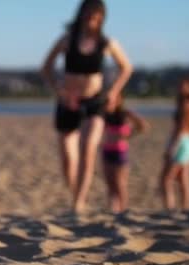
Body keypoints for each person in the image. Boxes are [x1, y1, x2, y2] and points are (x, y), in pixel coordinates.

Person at [41, 0, 132, 212]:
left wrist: (113, 92)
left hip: (95, 102)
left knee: (89, 147)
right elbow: (46, 67)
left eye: (97, 15)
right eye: (90, 14)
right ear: (82, 15)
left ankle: (79, 201)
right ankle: (76, 195)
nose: (92, 19)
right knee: (67, 158)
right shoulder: (67, 40)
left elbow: (126, 68)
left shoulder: (107, 43)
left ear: (102, 18)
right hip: (68, 101)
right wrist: (59, 91)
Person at [102, 96, 149, 213]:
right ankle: (112, 209)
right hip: (107, 150)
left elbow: (143, 126)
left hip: (120, 152)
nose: (110, 103)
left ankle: (123, 209)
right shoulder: (104, 114)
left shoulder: (124, 114)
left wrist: (128, 135)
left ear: (119, 100)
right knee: (110, 183)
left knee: (120, 183)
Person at [161, 77, 189, 211]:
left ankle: (171, 209)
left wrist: (172, 148)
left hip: (182, 142)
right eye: (181, 86)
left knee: (166, 180)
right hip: (188, 141)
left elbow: (181, 128)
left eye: (185, 86)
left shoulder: (185, 104)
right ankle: (186, 209)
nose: (182, 88)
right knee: (184, 179)